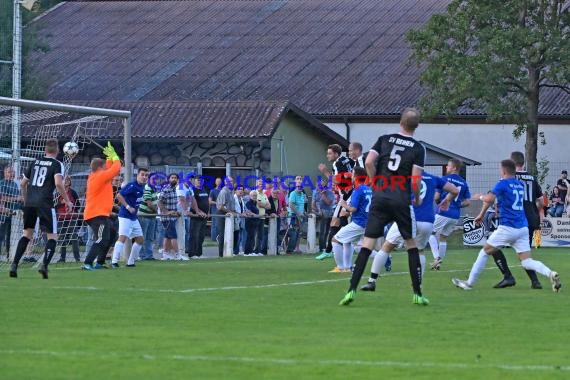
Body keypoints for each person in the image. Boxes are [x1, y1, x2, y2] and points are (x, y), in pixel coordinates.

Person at [339, 107, 427, 306]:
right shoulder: (417, 148)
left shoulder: (385, 139)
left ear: (400, 122)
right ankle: (417, 293)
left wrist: (374, 182)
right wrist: (417, 198)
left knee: (368, 244)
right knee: (411, 244)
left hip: (380, 196)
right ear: (416, 126)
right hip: (401, 198)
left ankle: (351, 290)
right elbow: (415, 180)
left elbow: (369, 161)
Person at [452, 159, 561, 293]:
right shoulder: (519, 184)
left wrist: (480, 196)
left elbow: (490, 199)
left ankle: (469, 283)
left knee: (484, 251)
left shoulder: (502, 183)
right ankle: (551, 273)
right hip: (522, 228)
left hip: (508, 227)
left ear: (503, 170)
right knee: (526, 261)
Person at [361, 172, 458, 290]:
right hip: (427, 220)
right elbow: (455, 190)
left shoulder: (404, 177)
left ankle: (372, 281)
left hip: (407, 217)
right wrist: (447, 200)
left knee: (387, 246)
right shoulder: (433, 178)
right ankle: (418, 286)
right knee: (420, 251)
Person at [9, 139, 74, 278]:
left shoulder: (34, 161)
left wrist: (26, 200)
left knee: (26, 234)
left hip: (30, 203)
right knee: (52, 236)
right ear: (57, 151)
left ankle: (14, 264)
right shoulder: (57, 164)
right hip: (45, 203)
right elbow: (58, 183)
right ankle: (44, 266)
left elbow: (22, 184)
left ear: (45, 150)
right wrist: (67, 201)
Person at [490, 151, 544, 289]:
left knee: (493, 247)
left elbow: (497, 198)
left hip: (514, 218)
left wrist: (497, 211)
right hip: (531, 219)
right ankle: (535, 281)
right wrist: (535, 211)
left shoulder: (508, 179)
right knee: (525, 253)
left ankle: (507, 276)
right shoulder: (532, 178)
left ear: (511, 164)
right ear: (523, 162)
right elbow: (541, 201)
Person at [81, 143, 122, 270]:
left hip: (101, 214)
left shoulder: (99, 175)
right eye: (105, 165)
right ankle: (87, 263)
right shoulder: (99, 176)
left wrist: (109, 158)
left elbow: (110, 169)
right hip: (96, 215)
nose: (106, 167)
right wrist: (114, 157)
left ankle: (100, 262)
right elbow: (115, 170)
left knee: (111, 236)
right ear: (100, 167)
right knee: (101, 238)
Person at [428, 159, 471, 270]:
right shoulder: (464, 183)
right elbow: (468, 202)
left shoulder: (444, 179)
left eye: (448, 166)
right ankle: (438, 264)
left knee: (430, 233)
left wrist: (439, 204)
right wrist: (457, 205)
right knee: (443, 237)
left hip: (443, 212)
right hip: (455, 215)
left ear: (454, 168)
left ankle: (437, 257)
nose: (446, 167)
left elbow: (436, 197)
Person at [329, 167, 372, 273]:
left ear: (356, 176)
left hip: (359, 222)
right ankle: (348, 266)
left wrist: (344, 205)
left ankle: (341, 267)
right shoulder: (368, 189)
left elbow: (353, 208)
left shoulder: (358, 189)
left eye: (352, 174)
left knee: (335, 240)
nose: (351, 176)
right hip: (367, 222)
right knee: (348, 242)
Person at [317, 145, 354, 260]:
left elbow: (336, 179)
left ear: (337, 154)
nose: (327, 156)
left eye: (330, 153)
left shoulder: (337, 163)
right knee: (335, 222)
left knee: (341, 222)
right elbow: (346, 178)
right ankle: (329, 249)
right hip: (351, 193)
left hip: (347, 195)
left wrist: (325, 171)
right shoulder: (349, 161)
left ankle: (345, 245)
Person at [110, 168, 149, 267]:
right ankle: (114, 261)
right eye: (142, 174)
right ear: (138, 175)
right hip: (125, 216)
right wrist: (128, 207)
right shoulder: (132, 185)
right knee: (122, 237)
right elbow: (119, 195)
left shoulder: (142, 187)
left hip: (133, 217)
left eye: (146, 175)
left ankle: (131, 261)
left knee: (140, 239)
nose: (144, 177)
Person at [56, 176, 81, 263]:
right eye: (64, 180)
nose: (66, 181)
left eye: (68, 180)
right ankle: (62, 258)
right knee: (62, 238)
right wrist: (61, 202)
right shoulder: (57, 193)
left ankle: (77, 258)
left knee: (74, 237)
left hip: (72, 218)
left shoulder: (73, 192)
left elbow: (78, 204)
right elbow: (54, 205)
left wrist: (74, 211)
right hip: (61, 218)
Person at [158, 173, 182, 260]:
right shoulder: (166, 189)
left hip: (173, 217)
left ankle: (165, 254)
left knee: (167, 236)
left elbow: (174, 204)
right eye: (172, 178)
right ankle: (177, 254)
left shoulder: (175, 189)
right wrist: (166, 212)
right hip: (167, 217)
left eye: (175, 178)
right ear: (169, 179)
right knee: (173, 236)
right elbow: (159, 202)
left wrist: (177, 212)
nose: (174, 179)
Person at [0, 165, 22, 259]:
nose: (12, 173)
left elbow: (18, 198)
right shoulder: (2, 183)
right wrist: (17, 199)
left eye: (13, 172)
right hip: (3, 214)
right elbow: (3, 198)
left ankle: (10, 256)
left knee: (11, 237)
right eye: (9, 172)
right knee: (1, 236)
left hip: (14, 214)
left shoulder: (15, 184)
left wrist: (21, 201)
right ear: (5, 173)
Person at [312, 178, 335, 257]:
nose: (319, 187)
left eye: (321, 185)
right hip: (322, 215)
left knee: (327, 232)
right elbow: (313, 204)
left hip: (330, 214)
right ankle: (322, 248)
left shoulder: (329, 192)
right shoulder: (316, 193)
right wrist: (318, 210)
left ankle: (326, 248)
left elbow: (328, 202)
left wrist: (323, 194)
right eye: (318, 185)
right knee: (322, 232)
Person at [216, 176, 236, 257]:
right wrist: (230, 212)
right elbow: (221, 206)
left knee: (229, 233)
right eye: (229, 181)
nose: (231, 183)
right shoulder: (224, 191)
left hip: (229, 214)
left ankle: (228, 252)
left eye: (232, 181)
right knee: (222, 234)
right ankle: (221, 254)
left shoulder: (231, 191)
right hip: (222, 214)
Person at [138, 182, 158, 260]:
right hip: (144, 215)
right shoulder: (147, 188)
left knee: (149, 237)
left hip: (151, 215)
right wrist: (156, 211)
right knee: (143, 236)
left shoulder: (153, 188)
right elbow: (149, 203)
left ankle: (148, 255)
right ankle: (142, 255)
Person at [190, 176, 210, 258]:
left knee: (201, 236)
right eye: (198, 180)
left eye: (201, 180)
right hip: (196, 215)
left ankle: (199, 253)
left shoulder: (204, 189)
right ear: (194, 181)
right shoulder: (192, 190)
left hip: (204, 217)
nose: (199, 182)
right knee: (194, 235)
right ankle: (192, 253)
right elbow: (192, 203)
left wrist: (208, 212)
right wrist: (199, 211)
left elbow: (207, 202)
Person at [286, 177, 306, 254]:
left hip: (300, 216)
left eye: (301, 186)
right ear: (296, 186)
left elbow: (301, 205)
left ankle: (294, 249)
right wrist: (298, 213)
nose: (300, 188)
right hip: (294, 216)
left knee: (298, 233)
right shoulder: (293, 193)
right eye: (298, 186)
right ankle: (289, 250)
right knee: (294, 232)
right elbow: (291, 205)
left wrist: (304, 212)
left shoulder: (302, 194)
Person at [209, 177, 222, 241]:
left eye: (220, 181)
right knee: (215, 225)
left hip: (222, 211)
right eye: (217, 181)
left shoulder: (223, 190)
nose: (219, 183)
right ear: (215, 182)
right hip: (215, 211)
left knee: (220, 225)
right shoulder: (213, 191)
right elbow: (210, 201)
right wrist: (217, 203)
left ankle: (219, 238)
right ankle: (214, 239)